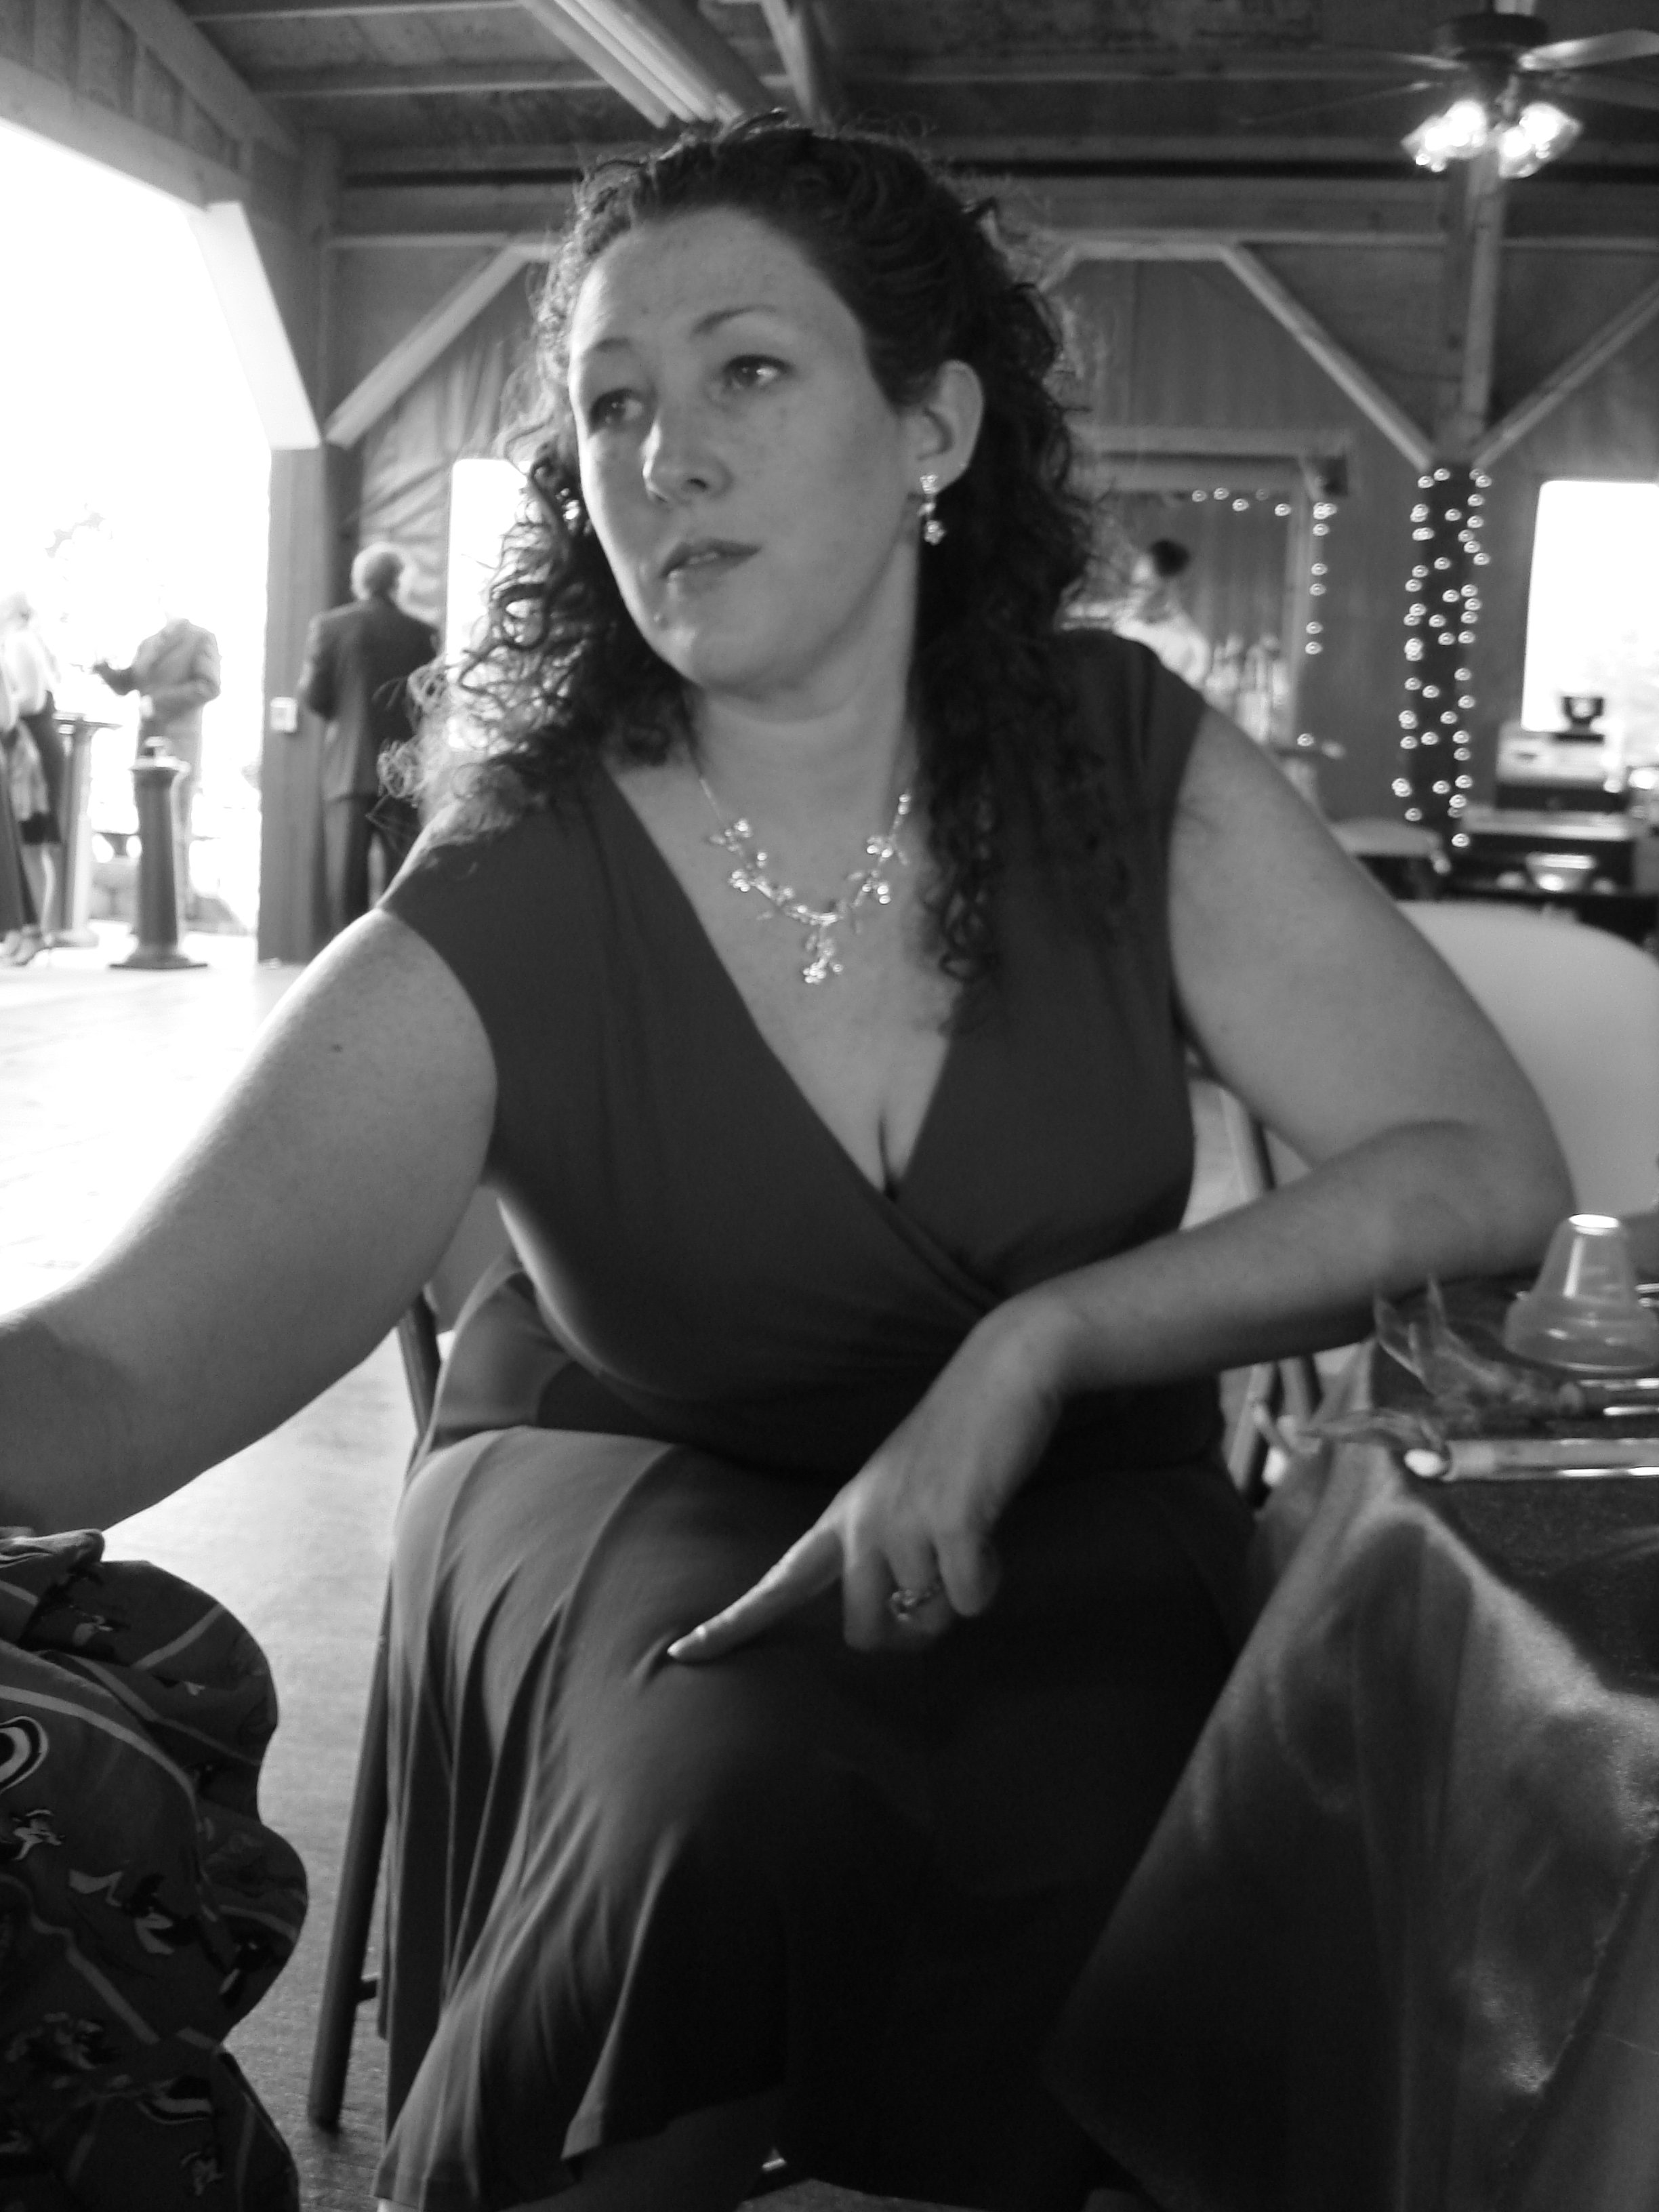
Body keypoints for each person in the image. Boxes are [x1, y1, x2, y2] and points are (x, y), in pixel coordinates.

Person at [0, 118, 1569, 2212]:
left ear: (934, 427)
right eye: (612, 406)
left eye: (746, 370)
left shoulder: (1115, 761)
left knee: (1136, 1821)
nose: (664, 455)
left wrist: (1039, 1342)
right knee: (728, 1799)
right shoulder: (526, 871)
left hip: (1083, 1497)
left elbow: (1481, 1163)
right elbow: (117, 1374)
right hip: (643, 1471)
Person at [298, 543, 439, 939]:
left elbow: (315, 697)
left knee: (346, 887)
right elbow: (433, 702)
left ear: (359, 581)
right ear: (399, 582)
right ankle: (395, 961)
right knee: (401, 886)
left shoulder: (329, 627)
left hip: (348, 768)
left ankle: (345, 963)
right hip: (404, 772)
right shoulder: (424, 634)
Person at [93, 607, 221, 924]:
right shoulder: (149, 643)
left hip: (180, 743)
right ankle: (149, 915)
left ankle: (174, 914)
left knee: (174, 827)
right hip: (148, 744)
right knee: (149, 826)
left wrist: (159, 703)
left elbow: (209, 686)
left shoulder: (200, 639)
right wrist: (104, 669)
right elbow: (129, 683)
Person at [0, 592, 65, 949]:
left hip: (32, 751)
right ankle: (23, 931)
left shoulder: (20, 641)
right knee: (23, 844)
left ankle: (35, 931)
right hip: (23, 746)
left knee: (31, 844)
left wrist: (4, 703)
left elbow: (32, 698)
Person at [1112, 538, 1210, 689]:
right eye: (1132, 585)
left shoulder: (1189, 647)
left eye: (1144, 587)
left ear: (1171, 587)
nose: (1133, 594)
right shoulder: (1125, 625)